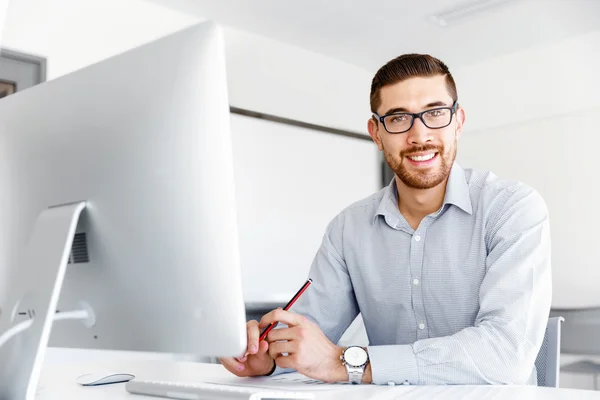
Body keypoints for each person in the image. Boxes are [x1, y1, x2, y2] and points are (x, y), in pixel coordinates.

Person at [220, 53, 552, 386]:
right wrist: (268, 356)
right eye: (397, 118)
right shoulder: (347, 229)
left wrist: (347, 363)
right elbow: (309, 337)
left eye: (435, 113)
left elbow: (505, 355)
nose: (419, 135)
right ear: (376, 133)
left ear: (458, 122)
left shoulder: (512, 208)